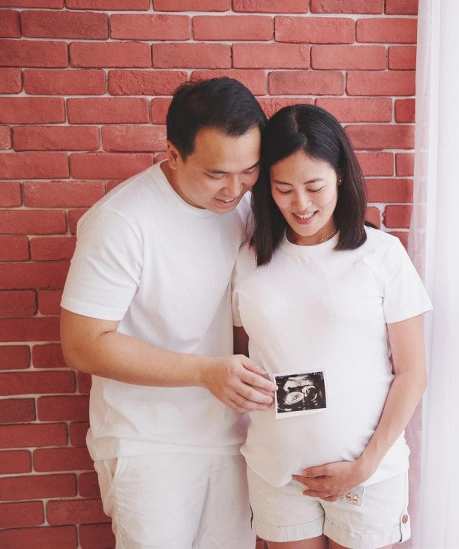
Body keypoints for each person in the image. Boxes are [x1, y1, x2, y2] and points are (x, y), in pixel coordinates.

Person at [60, 77, 276, 549]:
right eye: (216, 174)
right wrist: (204, 372)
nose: (234, 189)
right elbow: (82, 343)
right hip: (146, 442)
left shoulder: (245, 205)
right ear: (173, 154)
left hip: (231, 437)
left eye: (249, 170)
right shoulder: (121, 221)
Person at [232, 104, 432, 549]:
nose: (301, 205)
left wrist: (365, 465)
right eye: (284, 189)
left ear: (340, 175)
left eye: (314, 187)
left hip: (367, 473)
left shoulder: (381, 255)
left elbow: (413, 373)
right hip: (278, 469)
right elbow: (243, 354)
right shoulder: (249, 260)